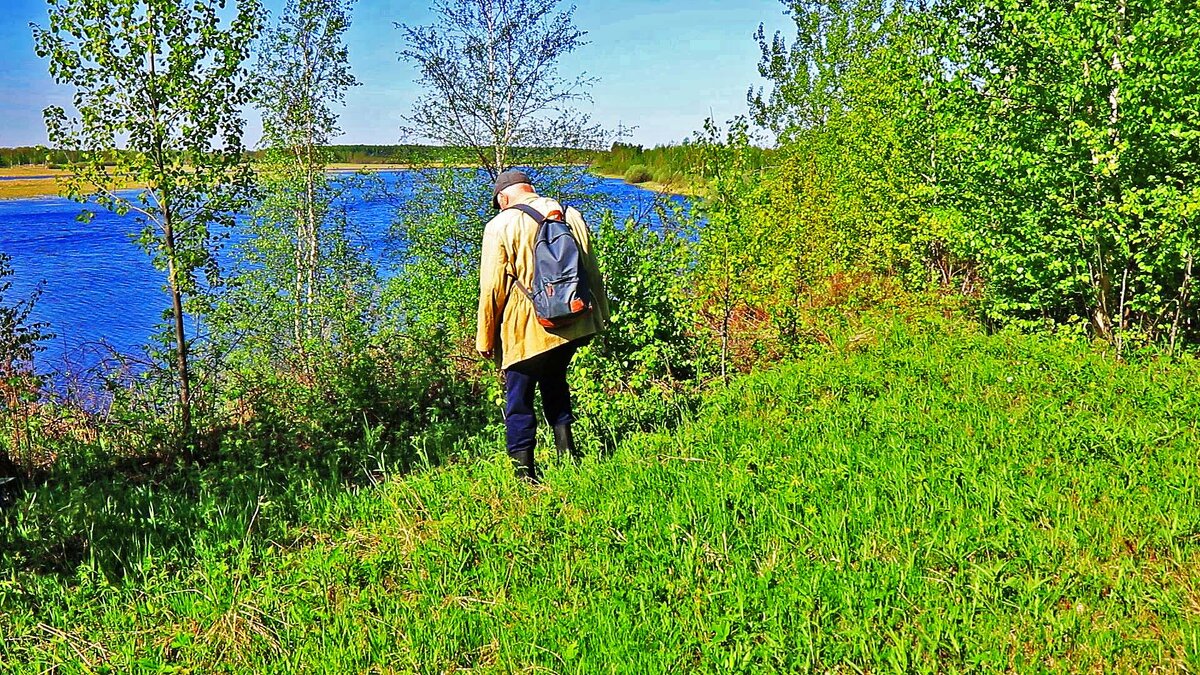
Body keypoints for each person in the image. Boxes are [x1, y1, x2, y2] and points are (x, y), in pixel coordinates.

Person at [476, 170, 610, 482]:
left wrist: (485, 338)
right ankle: (567, 454)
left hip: (526, 328)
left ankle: (526, 477)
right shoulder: (568, 214)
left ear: (504, 198)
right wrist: (600, 315)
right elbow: (591, 268)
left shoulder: (500, 225)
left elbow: (492, 289)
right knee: (555, 383)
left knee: (519, 400)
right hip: (573, 322)